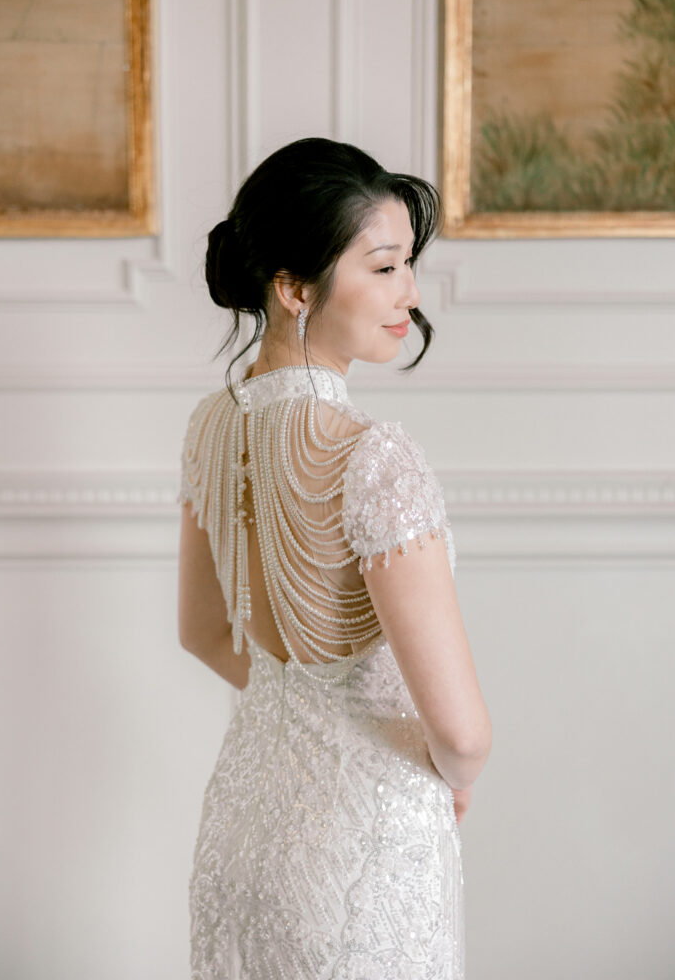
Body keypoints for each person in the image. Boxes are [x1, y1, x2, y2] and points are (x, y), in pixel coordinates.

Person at [177, 137, 492, 979]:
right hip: (362, 844)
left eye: (408, 265)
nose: (409, 293)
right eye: (383, 267)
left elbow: (202, 633)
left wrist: (305, 703)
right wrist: (445, 767)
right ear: (293, 289)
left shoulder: (212, 428)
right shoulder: (372, 456)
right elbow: (461, 733)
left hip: (243, 833)